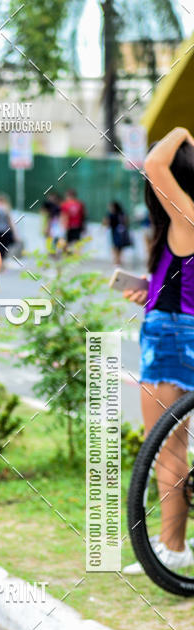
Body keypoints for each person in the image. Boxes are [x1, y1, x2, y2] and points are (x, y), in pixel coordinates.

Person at [122, 127, 194, 573]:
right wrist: (150, 291)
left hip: (169, 338)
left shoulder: (187, 215)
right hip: (176, 329)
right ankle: (174, 543)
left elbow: (152, 163)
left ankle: (173, 547)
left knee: (166, 447)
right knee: (174, 445)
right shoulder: (183, 224)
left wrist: (184, 131)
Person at [104, 200, 131, 265]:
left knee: (116, 246)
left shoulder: (112, 214)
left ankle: (117, 259)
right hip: (121, 231)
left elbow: (106, 222)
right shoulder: (122, 213)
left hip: (115, 232)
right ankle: (118, 259)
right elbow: (126, 221)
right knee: (119, 246)